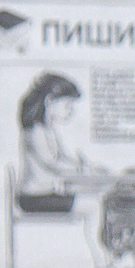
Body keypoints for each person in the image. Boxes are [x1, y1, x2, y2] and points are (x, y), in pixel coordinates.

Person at [15, 71, 90, 214]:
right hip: (34, 198)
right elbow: (53, 164)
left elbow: (61, 158)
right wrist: (80, 170)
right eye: (67, 105)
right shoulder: (35, 131)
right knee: (92, 204)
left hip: (44, 194)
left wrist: (80, 165)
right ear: (49, 101)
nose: (70, 111)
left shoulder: (47, 130)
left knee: (93, 198)